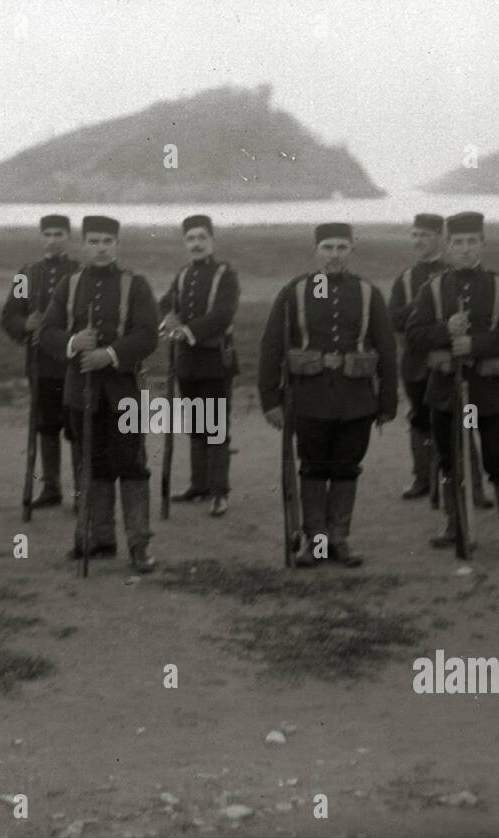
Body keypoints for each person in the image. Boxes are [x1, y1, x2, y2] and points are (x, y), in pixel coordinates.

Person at [257, 222, 397, 568]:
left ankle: (339, 538)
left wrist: (387, 401)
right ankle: (315, 543)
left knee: (348, 467)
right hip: (310, 399)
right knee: (315, 468)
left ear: (351, 251)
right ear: (316, 251)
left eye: (341, 248)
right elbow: (271, 348)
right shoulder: (295, 292)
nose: (334, 255)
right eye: (328, 248)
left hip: (356, 401)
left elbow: (388, 349)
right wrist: (271, 401)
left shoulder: (367, 293)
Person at [405, 212, 499, 564]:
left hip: (491, 393)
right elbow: (415, 335)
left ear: (482, 243)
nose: (464, 249)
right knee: (450, 461)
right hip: (447, 392)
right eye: (458, 243)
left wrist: (475, 345)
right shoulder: (431, 290)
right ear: (447, 246)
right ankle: (455, 526)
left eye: (471, 242)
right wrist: (446, 332)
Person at [38, 215, 160, 572]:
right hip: (82, 395)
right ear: (83, 244)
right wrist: (74, 342)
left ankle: (139, 545)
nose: (101, 248)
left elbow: (148, 334)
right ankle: (100, 537)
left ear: (117, 244)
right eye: (93, 241)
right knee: (91, 467)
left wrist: (110, 354)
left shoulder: (135, 285)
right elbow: (47, 332)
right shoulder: (69, 285)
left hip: (124, 395)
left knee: (133, 467)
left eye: (107, 241)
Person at [158, 214, 239, 516]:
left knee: (216, 428)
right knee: (195, 425)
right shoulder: (182, 275)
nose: (196, 244)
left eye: (201, 238)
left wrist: (186, 331)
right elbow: (165, 302)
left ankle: (220, 492)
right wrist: (169, 320)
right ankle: (199, 486)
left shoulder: (225, 274)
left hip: (216, 360)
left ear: (212, 240)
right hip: (187, 363)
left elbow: (222, 315)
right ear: (184, 243)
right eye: (190, 239)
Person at [1, 215, 81, 508]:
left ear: (68, 237)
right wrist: (26, 325)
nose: (52, 239)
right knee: (46, 427)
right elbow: (9, 316)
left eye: (58, 233)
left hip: (73, 364)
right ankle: (51, 488)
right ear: (40, 237)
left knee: (76, 428)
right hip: (41, 365)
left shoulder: (79, 273)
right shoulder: (27, 274)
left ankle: (81, 492)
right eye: (47, 233)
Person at [387, 213, 449, 501]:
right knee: (420, 418)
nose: (418, 240)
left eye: (424, 234)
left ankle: (464, 482)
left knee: (456, 418)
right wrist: (422, 308)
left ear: (439, 236)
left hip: (448, 360)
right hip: (414, 362)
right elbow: (393, 318)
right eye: (414, 235)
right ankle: (422, 478)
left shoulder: (452, 273)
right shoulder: (405, 278)